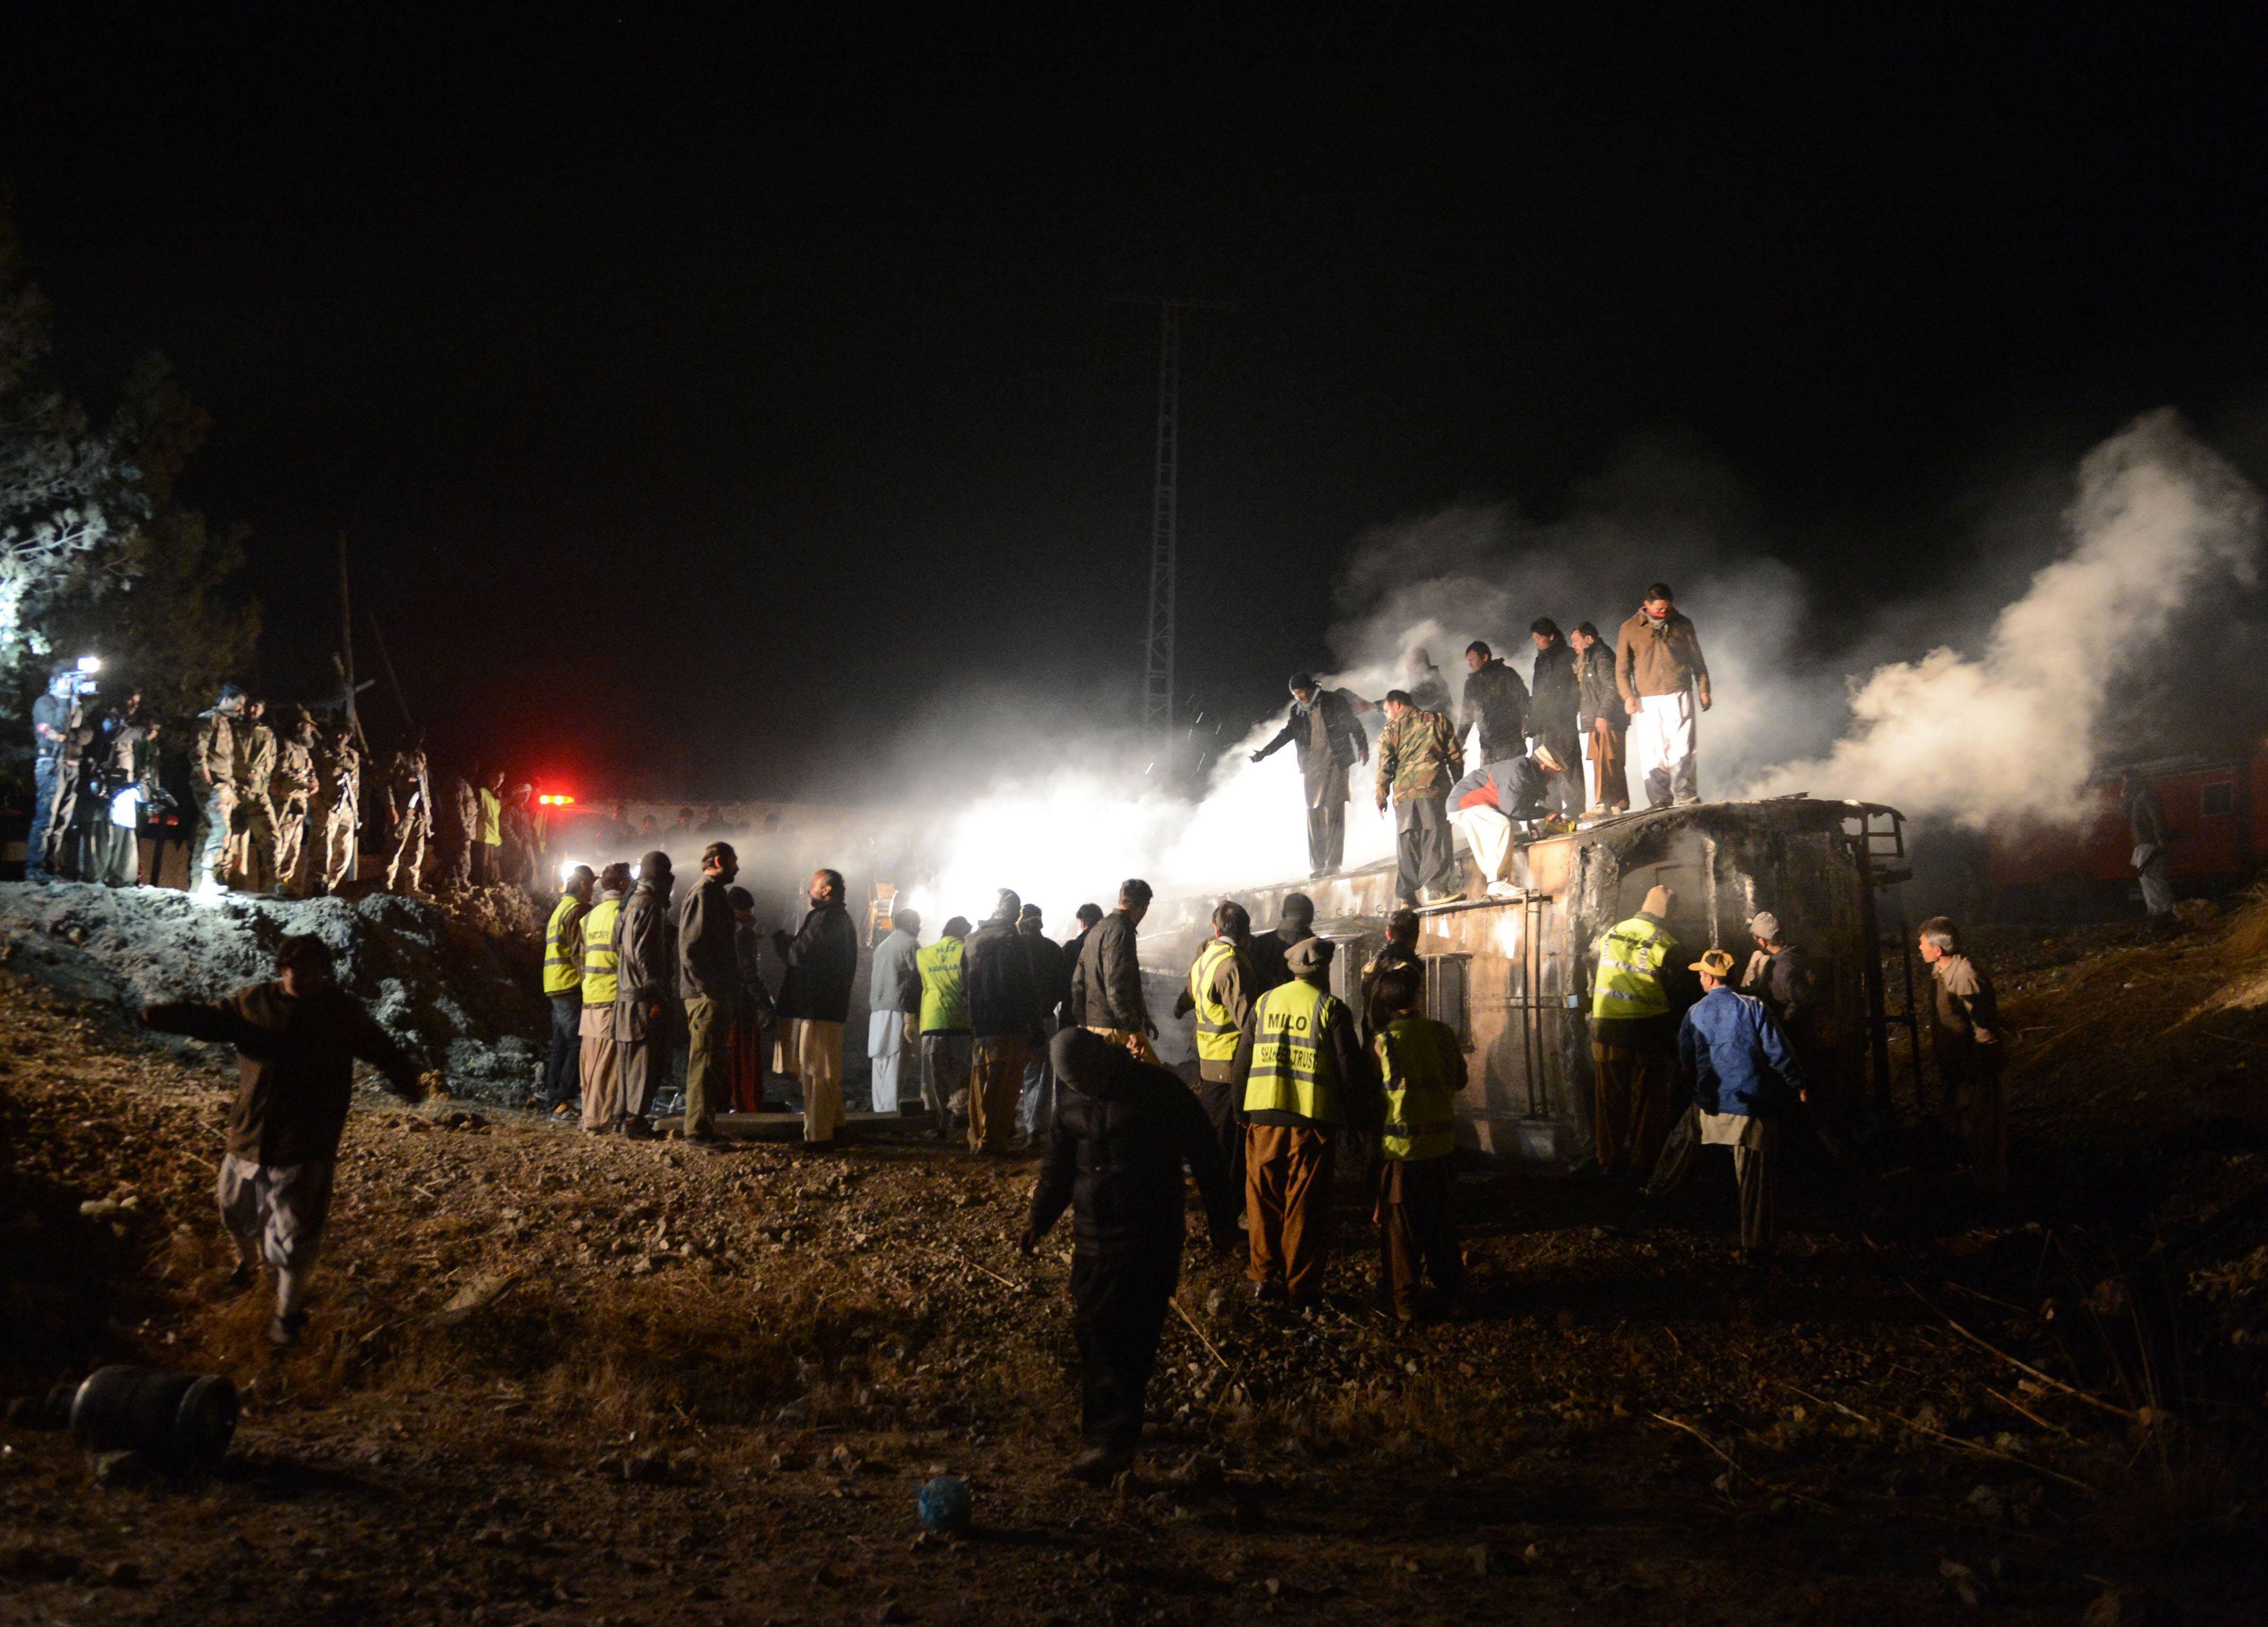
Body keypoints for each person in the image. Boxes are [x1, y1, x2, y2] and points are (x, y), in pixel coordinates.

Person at [140, 934, 438, 1345]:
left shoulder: (340, 1013)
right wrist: (159, 1016)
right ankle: (246, 1267)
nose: (309, 976)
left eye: (317, 969)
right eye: (300, 967)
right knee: (233, 1210)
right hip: (250, 1133)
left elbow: (381, 1049)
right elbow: (206, 1019)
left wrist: (409, 1083)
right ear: (283, 968)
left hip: (305, 1141)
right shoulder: (253, 1003)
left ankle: (287, 1315)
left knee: (295, 1234)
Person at [1021, 1027, 1239, 1484]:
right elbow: (1057, 1169)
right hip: (1092, 1241)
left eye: (1085, 1080)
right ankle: (1107, 1437)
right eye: (1075, 1084)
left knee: (1131, 1339)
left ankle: (1110, 1443)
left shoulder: (1158, 1091)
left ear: (1101, 1061)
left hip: (1148, 1239)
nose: (1083, 1089)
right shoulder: (1073, 1103)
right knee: (1094, 1335)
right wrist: (1037, 1221)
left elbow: (1207, 1156)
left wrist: (1222, 1225)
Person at [1237, 936, 1376, 1307]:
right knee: (1304, 1206)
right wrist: (1358, 1120)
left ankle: (1262, 1278)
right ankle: (1301, 1287)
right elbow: (1349, 1071)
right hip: (1311, 1122)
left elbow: (1243, 1059)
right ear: (1324, 970)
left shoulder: (1264, 1003)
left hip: (1263, 1119)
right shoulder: (1331, 1008)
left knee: (1262, 1201)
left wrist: (1240, 1110)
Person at [1646, 949, 1804, 1257]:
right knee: (1754, 1184)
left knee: (1680, 1141)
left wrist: (1699, 1081)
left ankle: (1655, 1193)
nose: (1700, 979)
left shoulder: (1694, 1012)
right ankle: (1756, 1247)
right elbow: (1778, 1052)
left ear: (1708, 977)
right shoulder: (1753, 1007)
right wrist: (1799, 1084)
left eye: (1701, 974)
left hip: (1710, 1105)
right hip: (1749, 1107)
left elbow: (1686, 1058)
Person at [1368, 963, 1467, 1320]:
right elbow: (1459, 1080)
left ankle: (1405, 1305)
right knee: (1441, 1227)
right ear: (1417, 997)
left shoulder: (1382, 1042)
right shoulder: (1441, 1034)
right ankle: (1454, 1297)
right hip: (1440, 1150)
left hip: (1400, 1155)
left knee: (1401, 1236)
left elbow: (1371, 1099)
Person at [1590, 885, 1679, 1182]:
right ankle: (1643, 1162)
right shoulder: (1664, 940)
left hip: (1607, 1026)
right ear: (1666, 912)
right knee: (1648, 1100)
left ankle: (1609, 1160)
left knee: (1609, 1099)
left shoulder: (1612, 932)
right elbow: (1677, 988)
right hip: (1647, 1028)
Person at [1250, 674, 1374, 879]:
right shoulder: (1297, 712)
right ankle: (1318, 865)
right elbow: (1286, 734)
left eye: (1302, 691)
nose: (1300, 696)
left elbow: (1354, 725)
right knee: (1314, 813)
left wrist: (1363, 747)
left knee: (1334, 810)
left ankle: (1333, 864)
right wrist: (1265, 752)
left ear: (1310, 687)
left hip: (1336, 763)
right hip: (1312, 768)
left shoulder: (1334, 701)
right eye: (1295, 694)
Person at [1919, 916, 2006, 1195]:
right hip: (1957, 1065)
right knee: (1961, 1122)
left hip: (1973, 1066)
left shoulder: (1966, 977)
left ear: (1938, 950)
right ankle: (1971, 1176)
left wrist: (1978, 1068)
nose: (1919, 948)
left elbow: (1984, 1029)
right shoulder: (1941, 972)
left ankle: (1991, 1185)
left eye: (1922, 944)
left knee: (1983, 1127)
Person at [772, 868, 859, 1148]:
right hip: (830, 1007)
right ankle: (837, 1126)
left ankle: (819, 1136)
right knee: (826, 1070)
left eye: (813, 884)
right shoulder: (842, 919)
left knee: (815, 1073)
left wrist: (783, 943)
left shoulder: (824, 919)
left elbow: (799, 954)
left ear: (827, 890)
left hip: (818, 1007)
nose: (809, 889)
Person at [1171, 899, 1257, 1179]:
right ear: (1246, 931)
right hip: (1232, 1062)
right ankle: (1228, 1201)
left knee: (1215, 1127)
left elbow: (1191, 996)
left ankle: (1212, 1185)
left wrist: (1179, 1007)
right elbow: (1248, 1020)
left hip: (1209, 1060)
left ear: (1215, 928)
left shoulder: (1205, 959)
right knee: (1229, 1140)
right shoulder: (1232, 964)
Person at [1615, 582, 1711, 809]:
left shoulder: (1683, 624)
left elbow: (1698, 661)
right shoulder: (1630, 628)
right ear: (1646, 605)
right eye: (1659, 610)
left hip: (1679, 693)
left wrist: (1704, 689)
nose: (1664, 614)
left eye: (1667, 609)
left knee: (1684, 748)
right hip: (1648, 699)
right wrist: (1628, 696)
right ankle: (1660, 800)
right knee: (1653, 752)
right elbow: (1621, 668)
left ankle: (1686, 795)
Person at [965, 889, 1044, 1154]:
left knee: (980, 1081)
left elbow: (965, 985)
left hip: (981, 1025)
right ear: (1013, 912)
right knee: (1004, 1085)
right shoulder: (1013, 940)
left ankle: (976, 1137)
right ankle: (992, 1140)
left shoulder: (972, 940)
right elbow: (1026, 987)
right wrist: (1036, 1027)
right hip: (1010, 1025)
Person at [677, 841, 741, 1148]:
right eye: (734, 862)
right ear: (719, 861)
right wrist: (710, 989)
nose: (738, 868)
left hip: (712, 993)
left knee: (712, 1062)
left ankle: (705, 1126)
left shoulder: (713, 894)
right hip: (706, 996)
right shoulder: (704, 894)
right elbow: (691, 949)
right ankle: (698, 1131)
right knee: (703, 1062)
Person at [1375, 689, 1465, 906]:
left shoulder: (1390, 730)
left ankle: (1407, 897)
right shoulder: (1438, 720)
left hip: (1404, 793)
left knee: (1408, 840)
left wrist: (1381, 796)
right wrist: (1460, 784)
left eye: (1387, 710)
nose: (1387, 715)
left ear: (1397, 705)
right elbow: (1455, 756)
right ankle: (1437, 891)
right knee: (1435, 836)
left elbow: (1385, 766)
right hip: (1434, 787)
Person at [614, 850, 678, 1138]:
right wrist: (656, 993)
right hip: (643, 997)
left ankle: (623, 1116)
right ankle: (635, 1121)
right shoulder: (650, 906)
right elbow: (646, 954)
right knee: (644, 1059)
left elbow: (620, 948)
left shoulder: (628, 906)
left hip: (625, 994)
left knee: (628, 1059)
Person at [1446, 745, 1563, 898]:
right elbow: (1512, 809)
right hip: (1466, 801)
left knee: (1501, 826)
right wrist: (1545, 813)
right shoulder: (1516, 773)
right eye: (1554, 774)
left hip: (1474, 802)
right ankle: (1496, 883)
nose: (1554, 778)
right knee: (1501, 825)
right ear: (1544, 766)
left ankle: (1500, 881)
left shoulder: (1527, 773)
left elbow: (1520, 801)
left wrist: (1530, 821)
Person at [1069, 878, 1158, 1062]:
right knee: (1154, 1081)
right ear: (1143, 907)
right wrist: (1133, 1030)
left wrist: (1083, 1023)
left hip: (1094, 1027)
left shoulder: (1097, 929)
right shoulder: (1122, 931)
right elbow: (1116, 988)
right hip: (1117, 1031)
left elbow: (1078, 983)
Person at [578, 863, 631, 1132]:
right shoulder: (624, 915)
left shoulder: (589, 917)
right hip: (612, 996)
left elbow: (580, 957)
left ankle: (588, 1115)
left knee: (589, 1063)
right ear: (622, 885)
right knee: (607, 1065)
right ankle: (598, 1120)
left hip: (590, 995)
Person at [541, 866, 595, 1118]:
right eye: (591, 885)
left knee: (561, 1045)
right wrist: (589, 985)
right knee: (577, 1043)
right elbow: (579, 953)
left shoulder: (559, 910)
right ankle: (562, 1100)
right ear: (584, 885)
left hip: (555, 984)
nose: (593, 890)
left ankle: (554, 1098)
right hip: (569, 985)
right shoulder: (575, 911)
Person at [917, 915, 974, 1142]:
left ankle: (936, 1125)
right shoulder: (967, 951)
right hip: (961, 1023)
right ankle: (959, 1115)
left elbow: (914, 987)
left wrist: (910, 1020)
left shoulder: (924, 954)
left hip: (932, 1022)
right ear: (964, 933)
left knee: (932, 1081)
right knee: (964, 1075)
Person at [1018, 904, 1071, 1148]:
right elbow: (1064, 988)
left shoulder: (1014, 948)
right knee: (1040, 1075)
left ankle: (1007, 1124)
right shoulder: (1052, 949)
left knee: (1014, 1073)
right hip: (1047, 1018)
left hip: (1016, 1021)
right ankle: (1035, 1127)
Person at [188, 685, 245, 899]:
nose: (241, 708)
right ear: (226, 699)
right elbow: (198, 752)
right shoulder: (207, 720)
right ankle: (208, 878)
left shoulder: (226, 724)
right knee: (221, 830)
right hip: (212, 786)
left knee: (207, 831)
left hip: (224, 786)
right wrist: (208, 782)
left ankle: (198, 881)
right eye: (238, 702)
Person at [866, 909, 923, 1115]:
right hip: (898, 1010)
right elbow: (919, 979)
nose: (920, 927)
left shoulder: (882, 947)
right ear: (909, 924)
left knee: (880, 1061)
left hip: (877, 1010)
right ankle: (891, 1113)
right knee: (896, 1062)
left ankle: (880, 1110)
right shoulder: (910, 945)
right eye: (917, 922)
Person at [1569, 621, 1629, 815]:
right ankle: (1616, 804)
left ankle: (1604, 802)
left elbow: (1611, 686)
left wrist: (1603, 714)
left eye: (1576, 640)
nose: (1574, 645)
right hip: (1597, 718)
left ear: (1589, 639)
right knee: (1603, 760)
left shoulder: (1600, 655)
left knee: (1607, 760)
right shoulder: (1588, 658)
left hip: (1606, 718)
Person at [726, 886, 775, 1112]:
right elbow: (749, 972)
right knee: (746, 1058)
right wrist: (764, 1004)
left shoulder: (721, 929)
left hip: (725, 1001)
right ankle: (748, 1105)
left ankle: (727, 1103)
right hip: (743, 1005)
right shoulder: (743, 934)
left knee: (728, 1057)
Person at [1526, 620, 1582, 819]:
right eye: (1534, 639)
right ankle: (1549, 811)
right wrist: (1531, 721)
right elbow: (1538, 691)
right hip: (1543, 722)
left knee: (1567, 766)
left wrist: (1569, 710)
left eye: (1539, 638)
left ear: (1551, 636)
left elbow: (1576, 687)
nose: (1537, 643)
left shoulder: (1568, 655)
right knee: (1543, 767)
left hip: (1562, 719)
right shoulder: (1540, 660)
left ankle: (1575, 810)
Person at [26, 665, 77, 882]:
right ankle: (34, 868)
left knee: (61, 821)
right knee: (46, 819)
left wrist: (72, 703)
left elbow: (83, 733)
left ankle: (50, 867)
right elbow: (59, 730)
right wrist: (66, 701)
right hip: (50, 764)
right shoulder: (44, 703)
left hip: (70, 766)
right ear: (56, 680)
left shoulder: (71, 704)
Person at [229, 698, 279, 892]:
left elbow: (271, 763)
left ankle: (273, 883)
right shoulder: (233, 730)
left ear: (262, 710)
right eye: (250, 705)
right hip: (235, 793)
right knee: (231, 842)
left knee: (272, 838)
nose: (252, 709)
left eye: (257, 706)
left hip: (259, 793)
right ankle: (230, 885)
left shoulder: (268, 734)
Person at [1456, 640, 1529, 768]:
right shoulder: (1472, 684)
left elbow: (1523, 700)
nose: (1470, 664)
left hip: (1511, 744)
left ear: (1485, 657)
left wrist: (1526, 724)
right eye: (1468, 661)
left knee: (1513, 783)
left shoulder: (1506, 674)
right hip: (1488, 748)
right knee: (1490, 785)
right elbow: (1466, 717)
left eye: (1473, 659)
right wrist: (1459, 743)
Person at [272, 713, 320, 897]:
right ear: (301, 725)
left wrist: (314, 783)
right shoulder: (285, 746)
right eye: (309, 726)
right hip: (284, 805)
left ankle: (286, 884)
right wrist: (303, 784)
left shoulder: (303, 750)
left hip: (299, 806)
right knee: (280, 846)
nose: (311, 730)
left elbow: (310, 772)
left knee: (294, 848)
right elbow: (281, 773)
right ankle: (275, 885)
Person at [1359, 907, 1424, 1042]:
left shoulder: (1370, 967)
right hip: (1400, 1046)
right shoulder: (1407, 972)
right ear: (1416, 936)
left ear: (1388, 934)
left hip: (1373, 1048)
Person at [2122, 768, 2175, 922]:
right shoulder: (2140, 797)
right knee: (2149, 880)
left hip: (2149, 845)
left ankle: (2163, 913)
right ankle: (2159, 913)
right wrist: (2125, 800)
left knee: (2153, 879)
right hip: (2145, 845)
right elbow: (2131, 818)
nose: (2125, 786)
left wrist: (2160, 838)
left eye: (2127, 781)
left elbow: (2157, 817)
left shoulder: (2147, 796)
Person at [383, 734, 432, 894]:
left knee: (417, 851)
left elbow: (424, 782)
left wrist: (427, 807)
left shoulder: (420, 757)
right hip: (403, 808)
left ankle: (412, 887)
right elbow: (386, 783)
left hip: (418, 810)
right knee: (395, 849)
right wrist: (391, 808)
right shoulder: (398, 757)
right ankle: (387, 886)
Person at [1246, 892, 1315, 994]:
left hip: (1266, 1008)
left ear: (1283, 914)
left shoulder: (1259, 944)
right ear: (1310, 917)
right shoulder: (1315, 947)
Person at [1402, 647, 1453, 718]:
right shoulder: (1427, 680)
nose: (1409, 670)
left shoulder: (1432, 683)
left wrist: (1390, 703)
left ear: (1422, 664)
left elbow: (1413, 698)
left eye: (1411, 666)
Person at [476, 768, 504, 886]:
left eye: (502, 778)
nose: (499, 781)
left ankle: (488, 887)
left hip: (494, 837)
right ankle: (481, 888)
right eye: (496, 777)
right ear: (490, 777)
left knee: (491, 867)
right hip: (484, 836)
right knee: (483, 865)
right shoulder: (481, 793)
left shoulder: (496, 797)